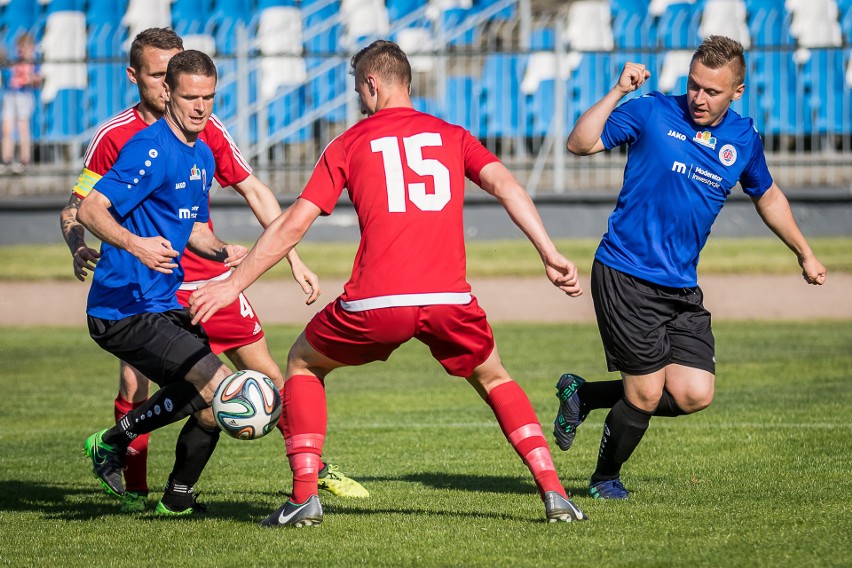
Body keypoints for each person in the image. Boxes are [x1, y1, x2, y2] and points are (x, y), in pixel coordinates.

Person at [190, 40, 589, 527]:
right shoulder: (453, 134)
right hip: (449, 299)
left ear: (373, 84)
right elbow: (508, 185)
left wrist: (234, 284)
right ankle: (555, 495)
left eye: (359, 87)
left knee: (301, 362)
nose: (359, 97)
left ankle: (303, 499)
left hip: (376, 302)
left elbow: (294, 222)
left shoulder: (349, 143)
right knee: (495, 377)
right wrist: (549, 253)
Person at [63, 28, 367, 514]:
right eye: (190, 97)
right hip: (121, 306)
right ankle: (112, 445)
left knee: (209, 402)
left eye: (208, 97)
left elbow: (193, 229)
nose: (201, 108)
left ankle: (176, 498)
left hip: (160, 302)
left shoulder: (202, 153)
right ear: (167, 93)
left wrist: (224, 250)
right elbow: (91, 210)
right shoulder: (148, 149)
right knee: (220, 384)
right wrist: (136, 244)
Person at [552, 35, 827, 500]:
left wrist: (804, 251)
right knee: (642, 394)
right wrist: (619, 91)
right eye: (694, 85)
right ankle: (603, 479)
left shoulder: (743, 139)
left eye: (712, 91)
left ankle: (584, 395)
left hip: (680, 287)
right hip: (625, 273)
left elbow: (767, 194)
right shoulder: (653, 110)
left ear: (736, 91)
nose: (699, 97)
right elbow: (580, 144)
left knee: (694, 393)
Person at [1, 33, 42, 174]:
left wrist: (29, 76)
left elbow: (38, 81)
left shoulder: (33, 64)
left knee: (23, 128)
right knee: (7, 129)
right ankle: (6, 160)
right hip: (10, 95)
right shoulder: (14, 61)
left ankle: (25, 161)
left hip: (24, 95)